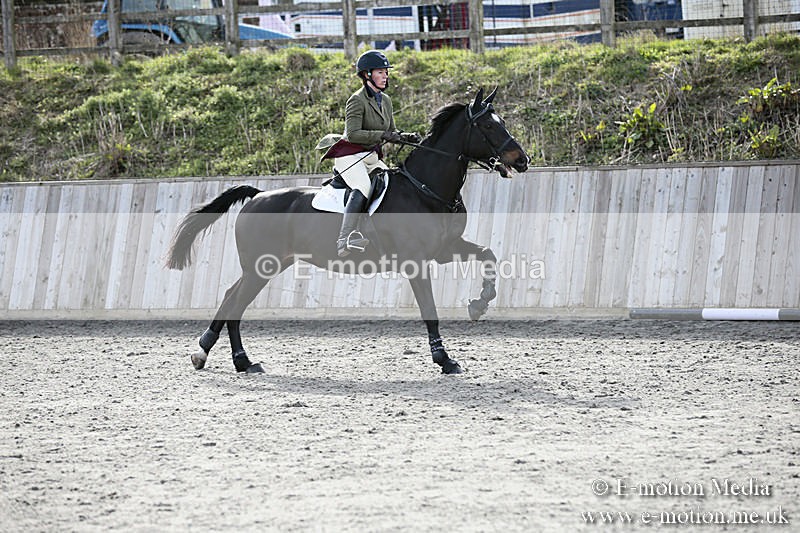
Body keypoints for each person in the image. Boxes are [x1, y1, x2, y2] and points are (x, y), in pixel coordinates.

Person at [317, 50, 421, 257]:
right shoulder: (356, 100)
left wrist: (404, 137)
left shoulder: (387, 101)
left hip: (371, 158)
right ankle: (344, 239)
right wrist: (384, 135)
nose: (385, 76)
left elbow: (391, 131)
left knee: (393, 183)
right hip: (350, 156)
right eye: (381, 72)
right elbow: (354, 134)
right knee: (363, 186)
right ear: (367, 75)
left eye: (386, 72)